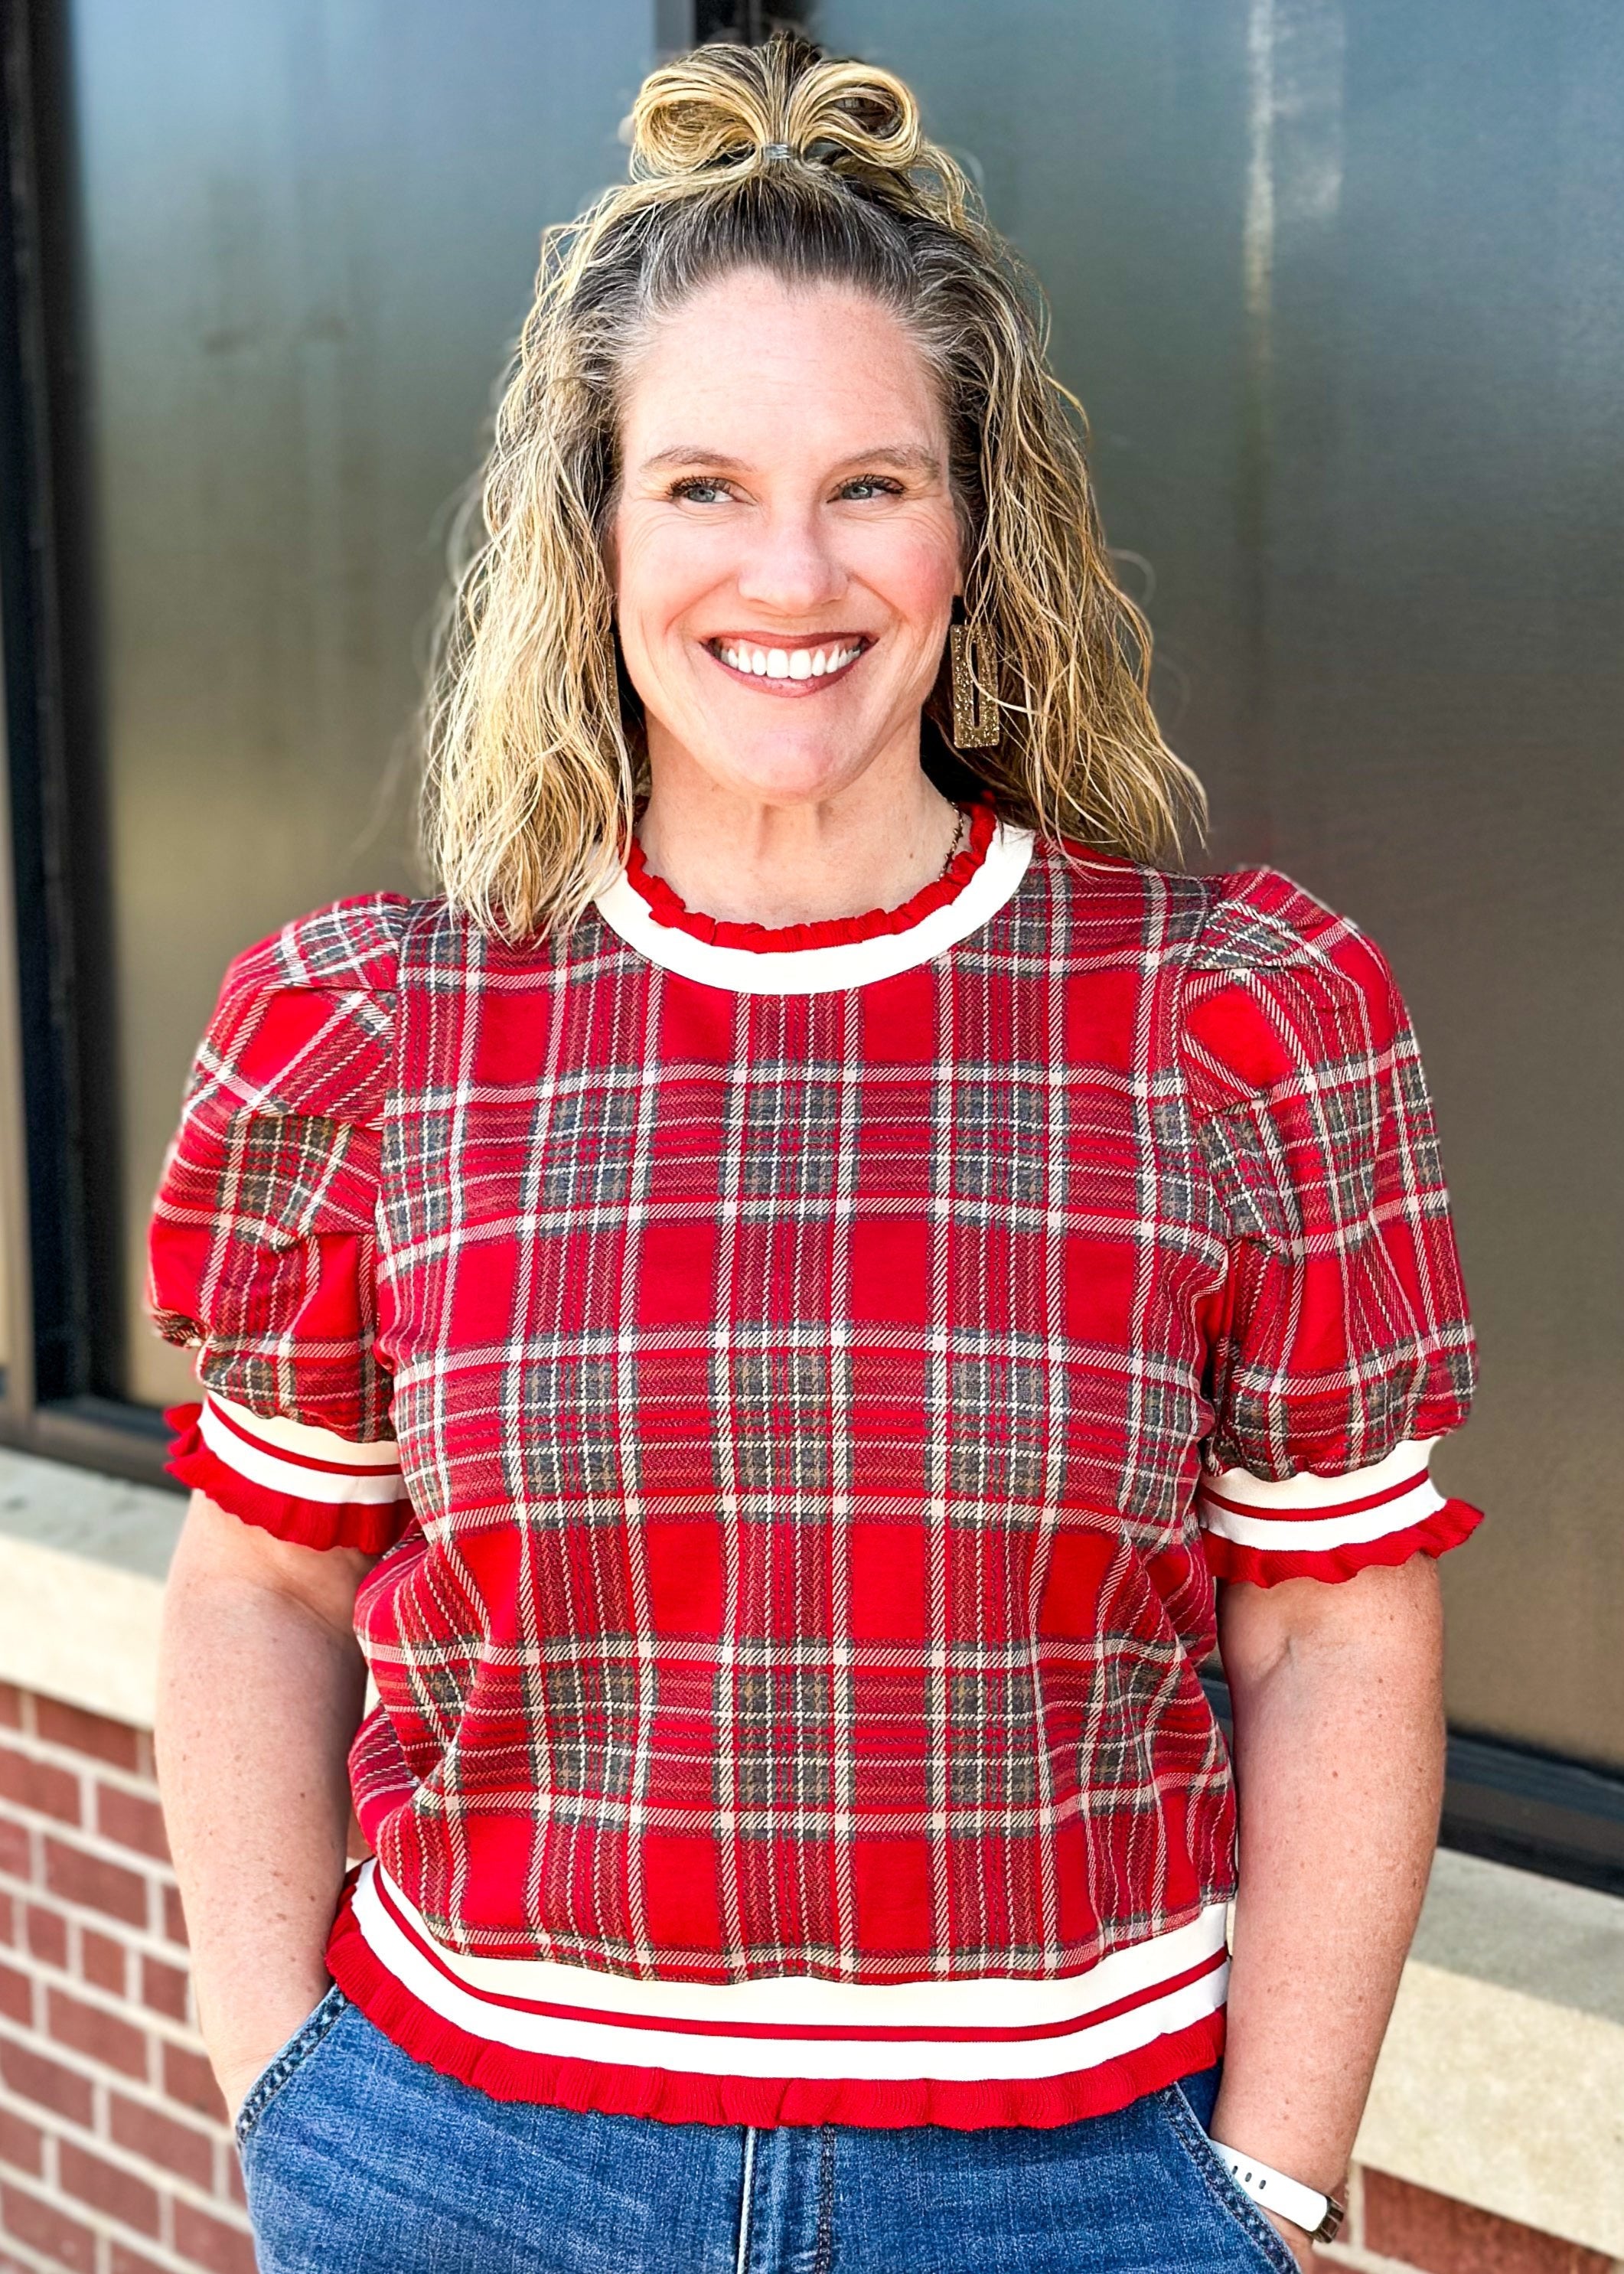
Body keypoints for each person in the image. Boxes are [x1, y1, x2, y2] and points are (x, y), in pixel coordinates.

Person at [149, 35, 1480, 2274]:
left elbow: (1335, 1625)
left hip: (1077, 2194)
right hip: (468, 2173)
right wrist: (290, 2089)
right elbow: (262, 1588)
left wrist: (1256, 2181)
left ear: (978, 529)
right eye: (699, 485)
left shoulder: (1226, 1019)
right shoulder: (374, 1031)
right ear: (589, 530)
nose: (791, 566)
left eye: (871, 481)